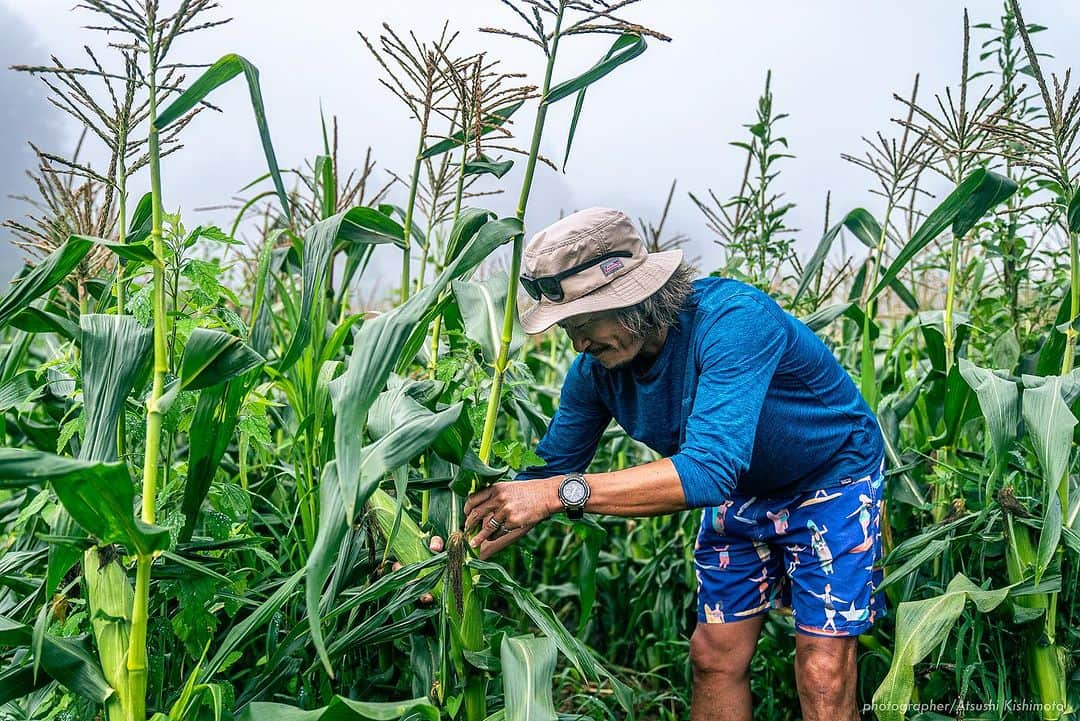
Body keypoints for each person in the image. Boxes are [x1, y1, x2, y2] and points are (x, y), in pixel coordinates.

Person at [457, 207, 886, 721]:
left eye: (585, 322)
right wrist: (453, 548)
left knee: (821, 668)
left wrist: (558, 495)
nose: (578, 344)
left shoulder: (733, 321)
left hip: (829, 479)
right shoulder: (595, 371)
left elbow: (705, 473)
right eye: (567, 328)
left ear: (635, 297)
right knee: (712, 657)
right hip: (743, 491)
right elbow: (540, 478)